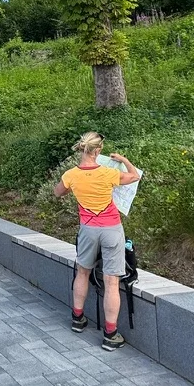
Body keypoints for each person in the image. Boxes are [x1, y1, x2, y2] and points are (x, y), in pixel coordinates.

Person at [53, 131, 142, 351]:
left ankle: (77, 319)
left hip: (88, 229)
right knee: (112, 281)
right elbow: (134, 176)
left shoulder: (71, 174)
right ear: (98, 150)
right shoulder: (108, 173)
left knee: (82, 272)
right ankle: (110, 334)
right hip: (111, 229)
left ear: (82, 149)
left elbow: (57, 192)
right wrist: (123, 160)